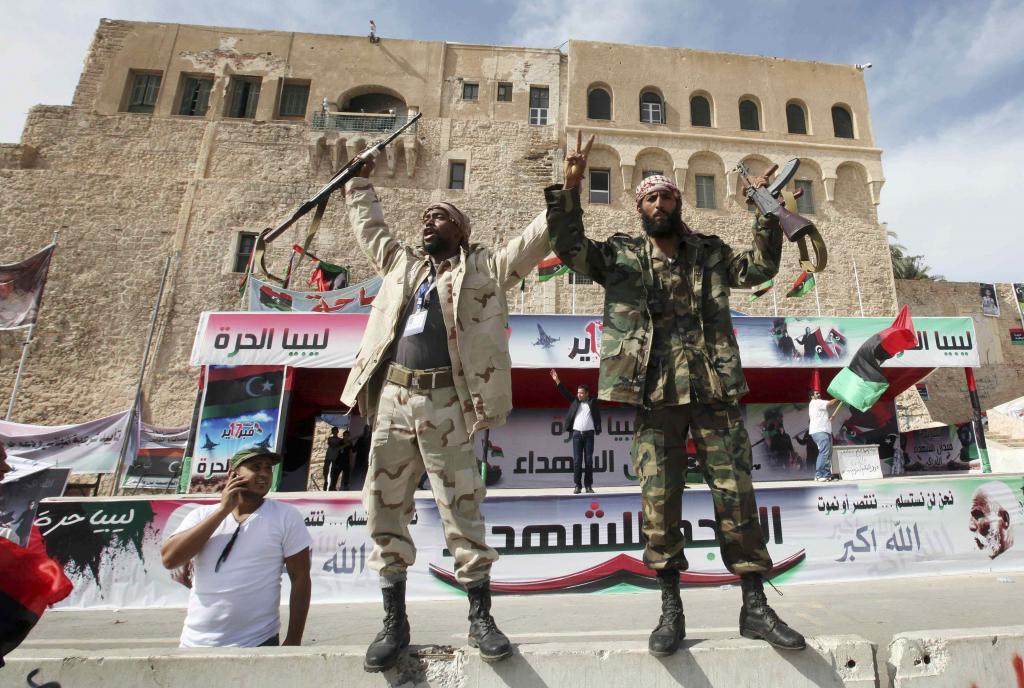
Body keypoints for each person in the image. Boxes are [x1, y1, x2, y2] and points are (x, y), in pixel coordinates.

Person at [545, 132, 807, 656]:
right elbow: (570, 249)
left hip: (713, 390)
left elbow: (758, 269)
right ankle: (671, 609)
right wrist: (569, 190)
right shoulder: (618, 255)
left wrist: (766, 212)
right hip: (653, 396)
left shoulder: (709, 253)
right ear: (638, 207)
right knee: (660, 504)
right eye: (650, 198)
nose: (659, 204)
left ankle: (754, 605)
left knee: (736, 498)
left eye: (667, 196)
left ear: (678, 203)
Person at [340, 154, 550, 671]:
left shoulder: (483, 270)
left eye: (439, 215)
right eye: (425, 216)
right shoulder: (401, 267)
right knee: (383, 506)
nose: (427, 221)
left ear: (460, 230)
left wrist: (561, 197)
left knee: (460, 507)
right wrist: (359, 183)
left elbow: (530, 244)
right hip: (392, 398)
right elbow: (372, 231)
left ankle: (480, 617)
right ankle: (394, 622)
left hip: (447, 402)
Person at [160, 447, 312, 648]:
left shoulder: (285, 516)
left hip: (258, 642)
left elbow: (300, 578)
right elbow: (170, 559)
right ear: (233, 474)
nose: (264, 474)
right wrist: (223, 511)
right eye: (256, 467)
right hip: (195, 643)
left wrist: (293, 640)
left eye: (268, 468)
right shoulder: (201, 515)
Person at [549, 369, 602, 493]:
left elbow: (602, 394)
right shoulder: (575, 402)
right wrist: (557, 380)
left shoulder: (592, 402)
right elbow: (565, 392)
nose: (579, 395)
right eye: (578, 393)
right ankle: (577, 485)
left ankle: (588, 486)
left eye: (581, 393)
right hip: (577, 435)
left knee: (589, 461)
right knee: (577, 461)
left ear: (587, 394)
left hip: (589, 435)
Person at [808, 390, 841, 482]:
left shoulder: (817, 404)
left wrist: (829, 419)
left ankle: (826, 475)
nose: (819, 394)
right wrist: (840, 397)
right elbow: (831, 403)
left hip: (826, 431)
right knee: (824, 452)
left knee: (828, 453)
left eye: (819, 393)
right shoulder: (815, 402)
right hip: (819, 431)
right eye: (816, 393)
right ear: (811, 396)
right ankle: (819, 475)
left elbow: (820, 417)